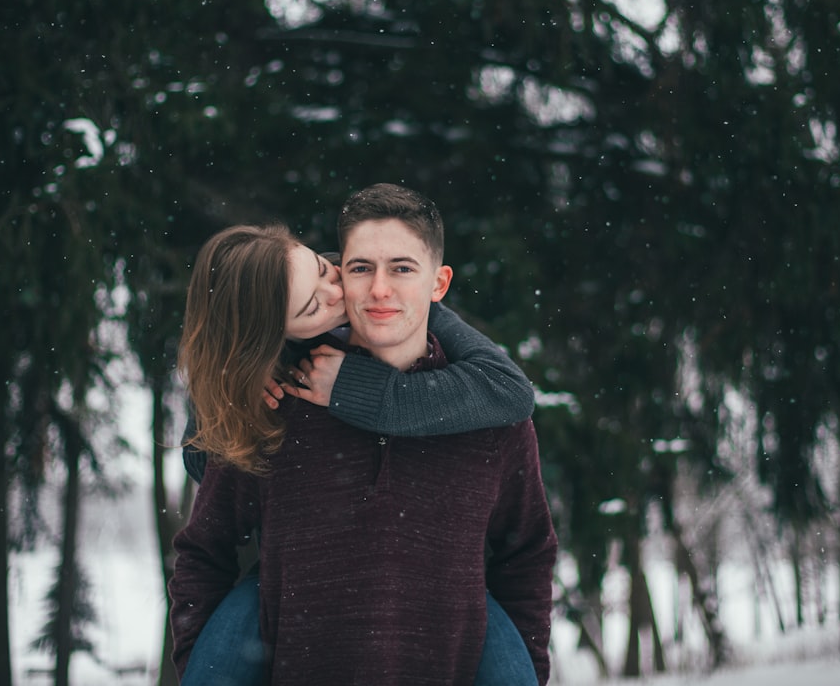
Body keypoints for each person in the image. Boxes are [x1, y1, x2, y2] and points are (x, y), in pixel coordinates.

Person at [171, 184, 557, 685]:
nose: (377, 290)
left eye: (401, 268)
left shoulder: (488, 410)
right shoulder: (280, 396)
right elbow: (205, 548)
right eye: (359, 269)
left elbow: (526, 553)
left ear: (438, 283)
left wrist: (530, 667)